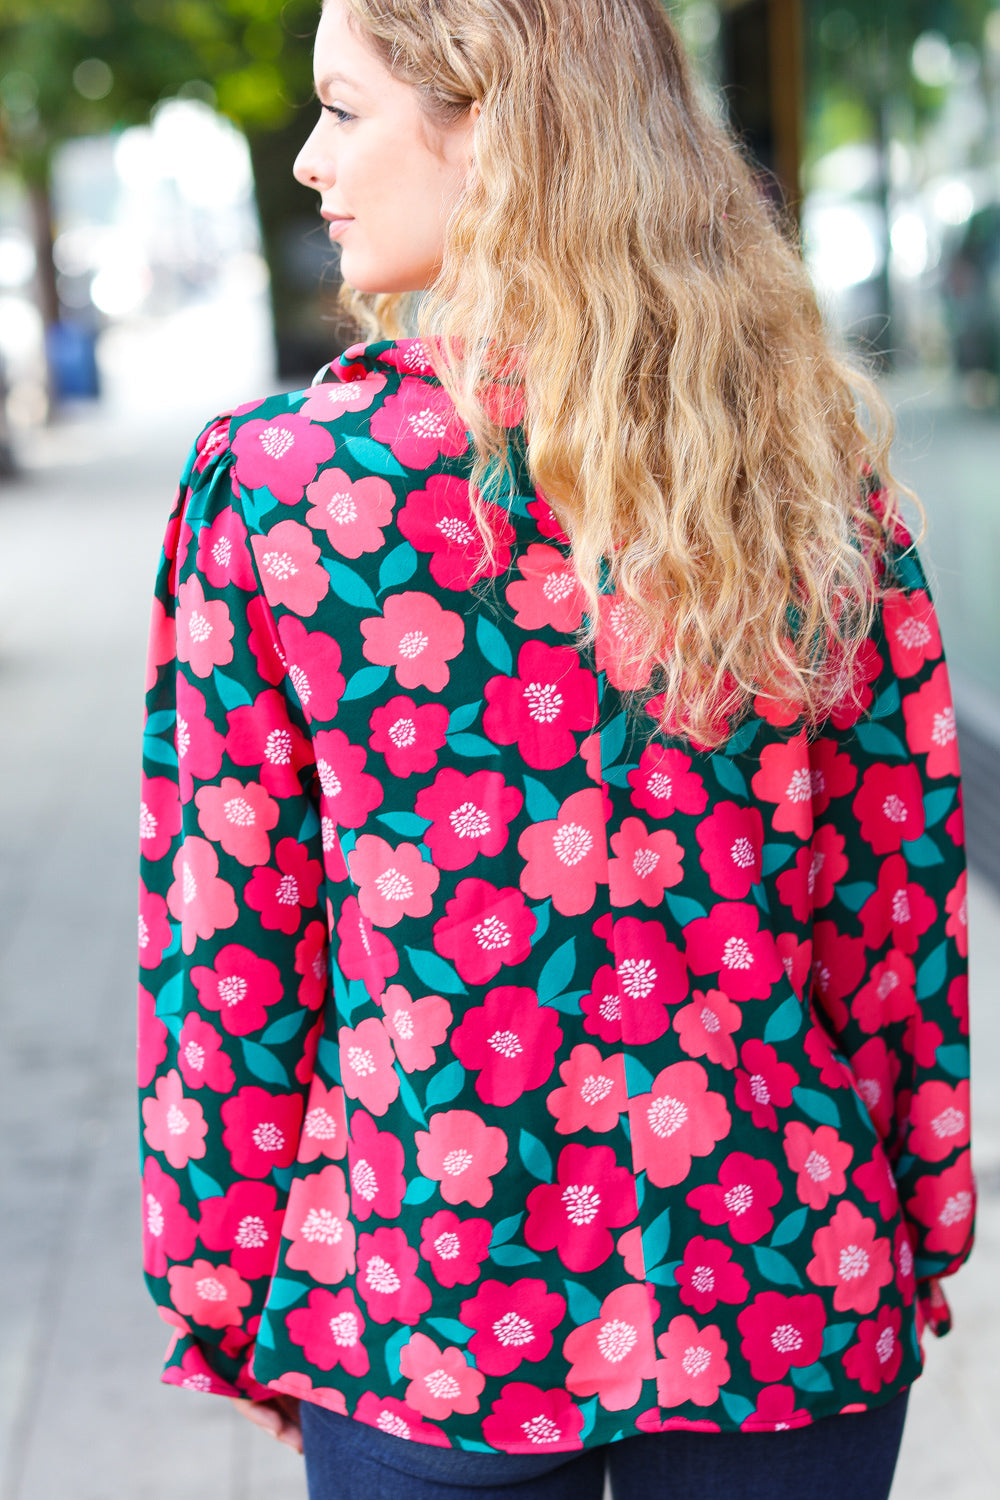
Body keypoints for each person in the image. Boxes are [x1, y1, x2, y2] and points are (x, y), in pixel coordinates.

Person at [138, 2, 974, 1496]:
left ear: (494, 129)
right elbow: (894, 904)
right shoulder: (803, 469)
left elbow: (233, 948)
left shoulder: (281, 490)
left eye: (345, 109)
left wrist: (228, 1289)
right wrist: (919, 1218)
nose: (314, 163)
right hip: (786, 1283)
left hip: (428, 1304)